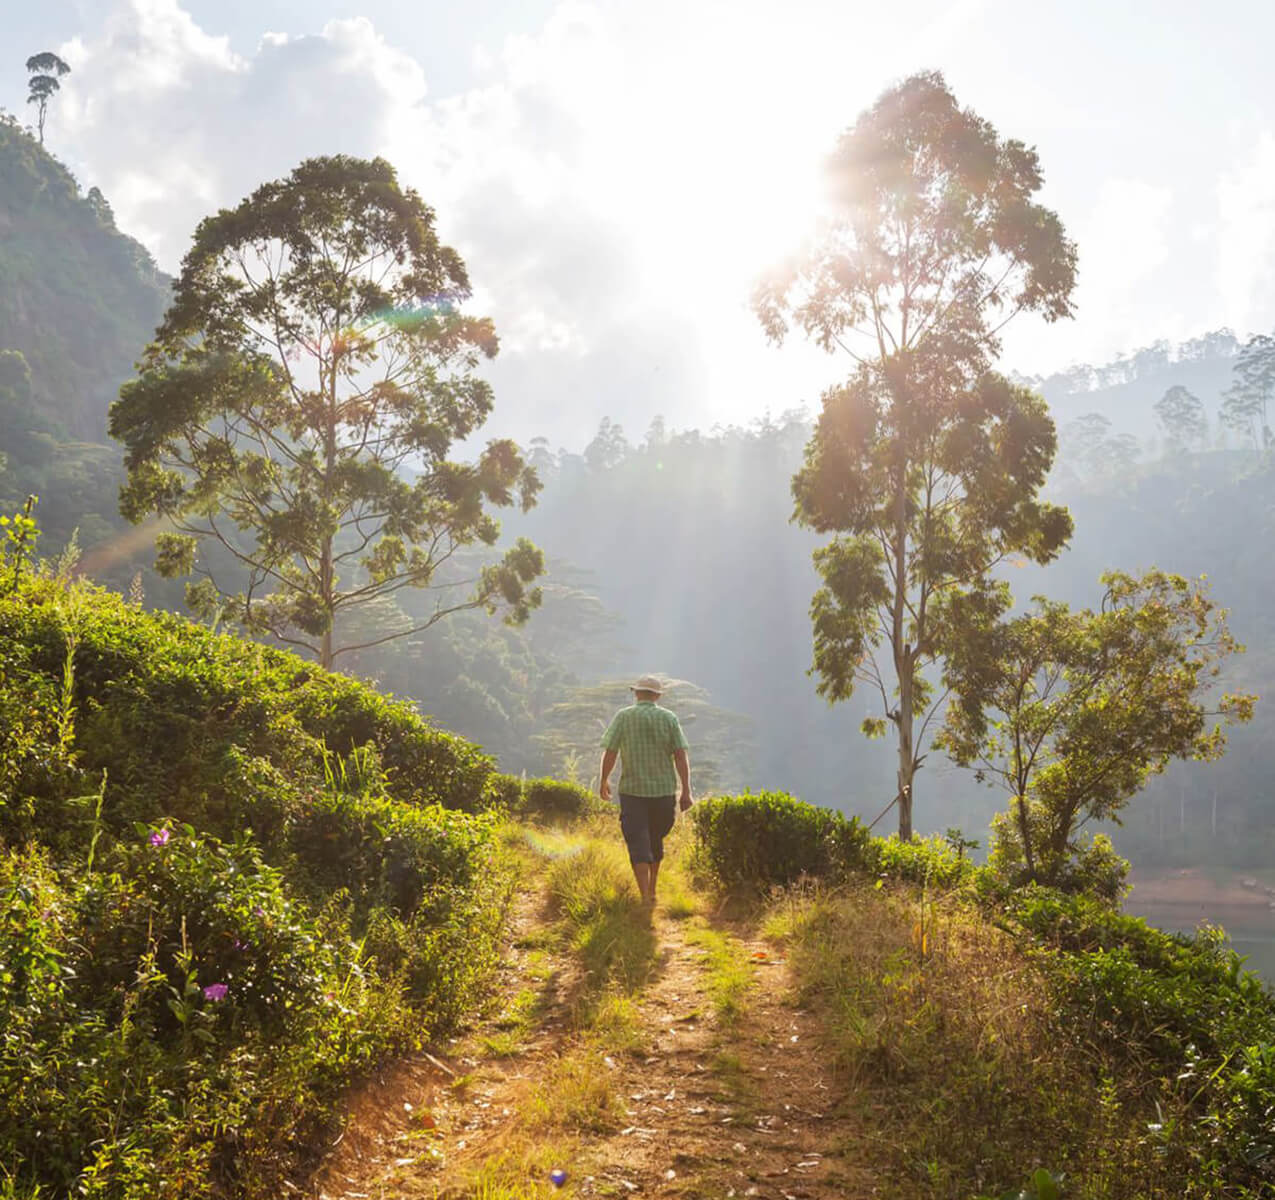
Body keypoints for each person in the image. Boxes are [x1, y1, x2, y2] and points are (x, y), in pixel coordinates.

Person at [599, 674, 693, 906]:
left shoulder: (623, 717)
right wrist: (686, 791)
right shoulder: (669, 718)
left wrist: (603, 780)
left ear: (636, 693)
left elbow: (610, 751)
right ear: (658, 696)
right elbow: (680, 755)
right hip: (663, 791)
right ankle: (651, 889)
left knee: (637, 841)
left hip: (632, 791)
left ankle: (644, 896)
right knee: (655, 839)